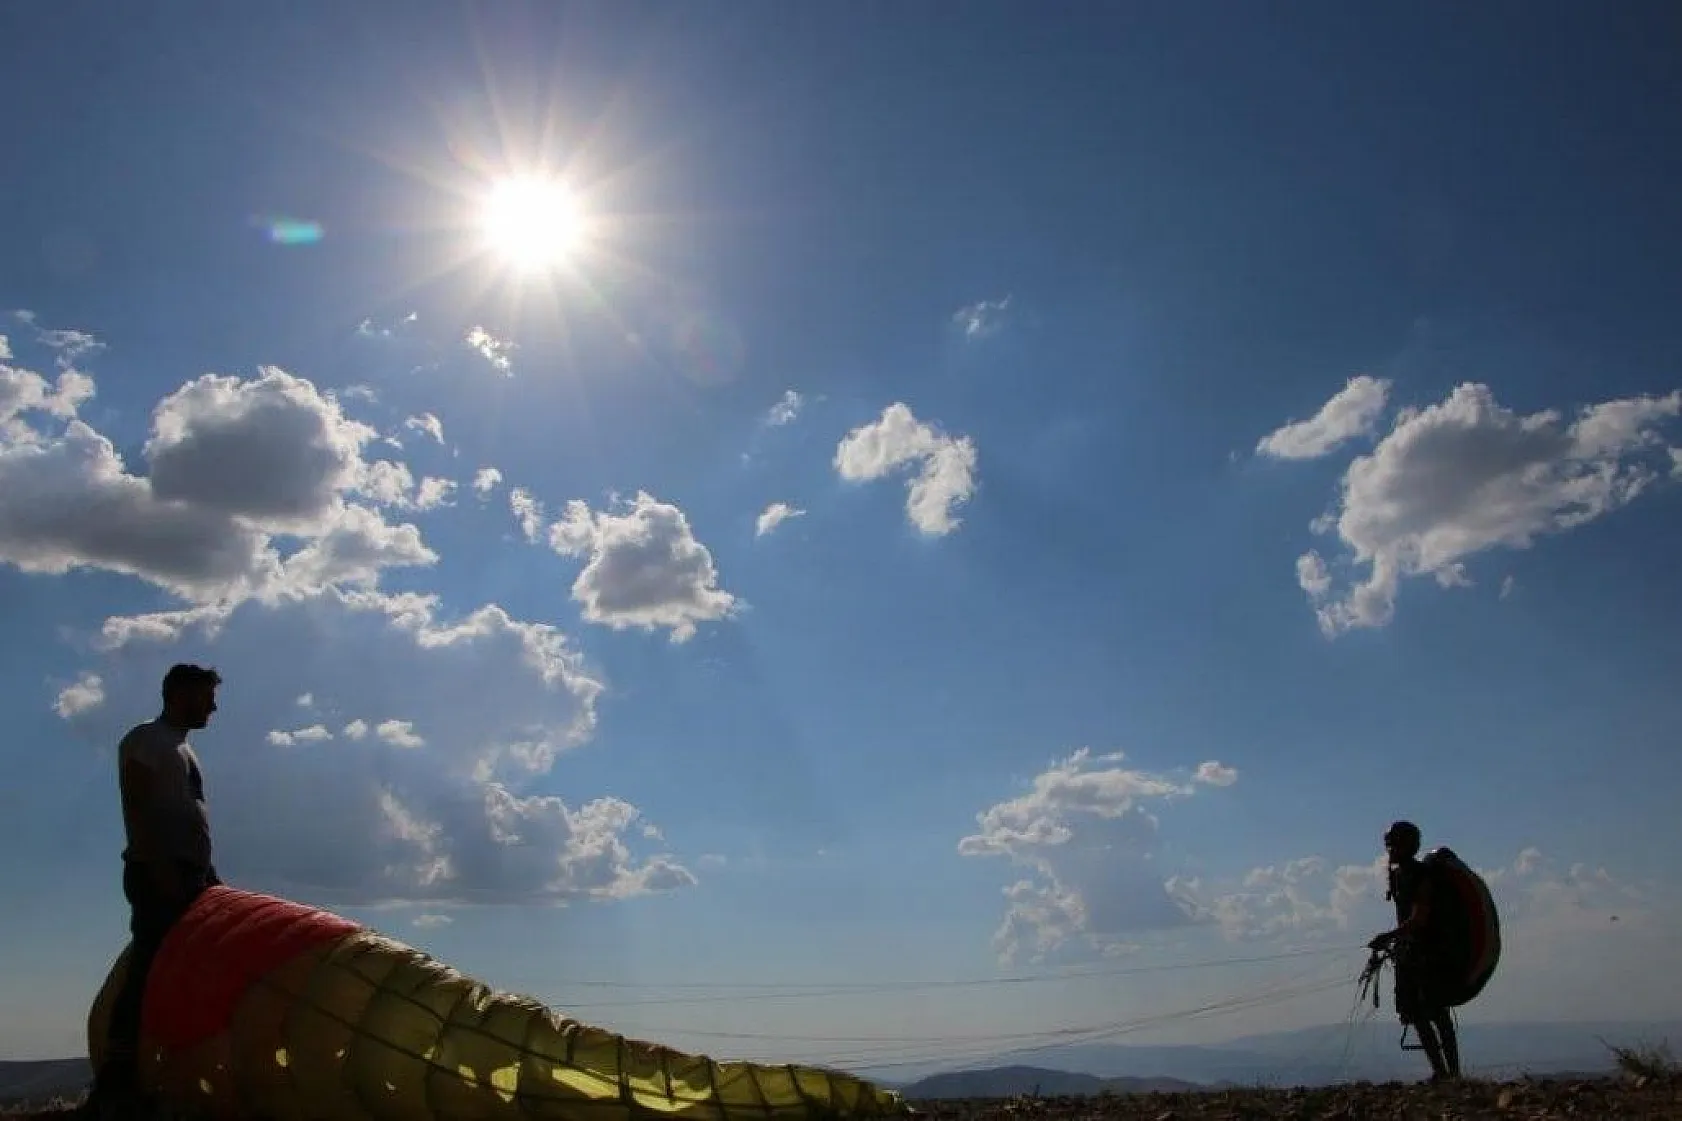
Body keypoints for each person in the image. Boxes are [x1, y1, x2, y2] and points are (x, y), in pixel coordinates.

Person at [83, 663, 225, 1118]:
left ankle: (168, 1070)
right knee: (149, 967)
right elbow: (138, 802)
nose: (213, 708)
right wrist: (157, 862)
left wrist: (209, 875)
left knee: (185, 969)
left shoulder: (183, 749)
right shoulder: (147, 740)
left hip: (190, 874)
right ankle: (118, 1079)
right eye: (206, 698)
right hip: (158, 871)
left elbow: (188, 814)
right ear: (180, 694)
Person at [1368, 819, 1461, 1082]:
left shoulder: (1422, 876)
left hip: (1427, 952)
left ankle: (1452, 1073)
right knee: (1415, 1013)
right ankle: (1442, 1072)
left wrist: (1388, 936)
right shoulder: (1400, 876)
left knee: (1435, 1012)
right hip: (1408, 952)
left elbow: (1419, 918)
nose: (1389, 850)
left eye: (1393, 844)